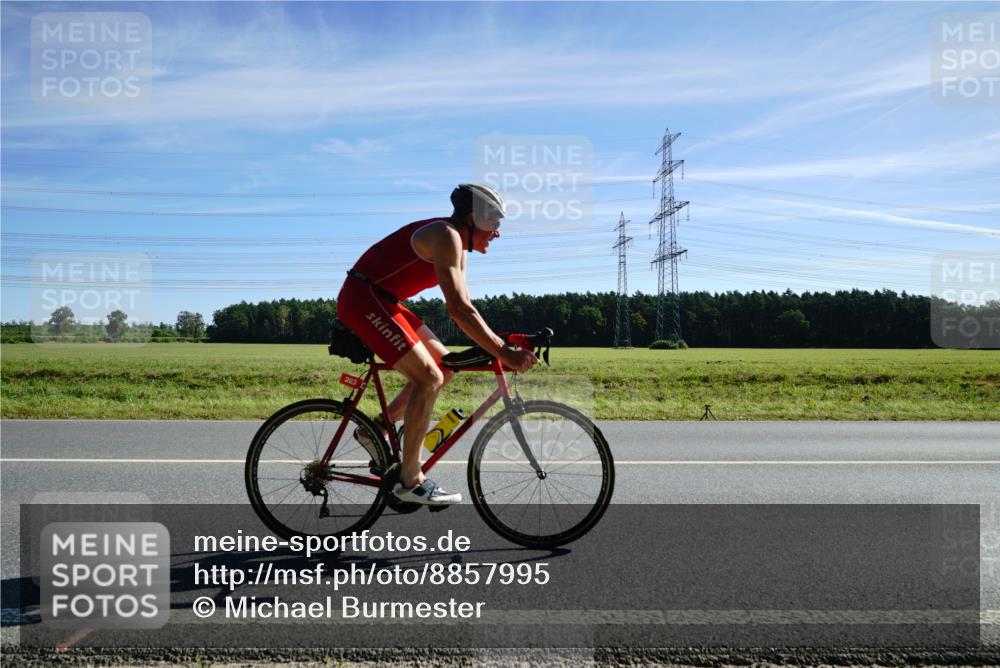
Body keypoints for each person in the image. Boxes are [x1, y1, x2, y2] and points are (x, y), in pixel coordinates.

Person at [336, 184, 539, 506]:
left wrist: (502, 343)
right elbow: (458, 309)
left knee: (445, 369)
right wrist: (503, 352)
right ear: (473, 219)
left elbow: (466, 306)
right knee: (427, 377)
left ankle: (373, 431)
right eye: (495, 224)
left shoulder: (458, 246)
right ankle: (410, 479)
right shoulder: (446, 235)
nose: (498, 234)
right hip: (364, 299)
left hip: (385, 301)